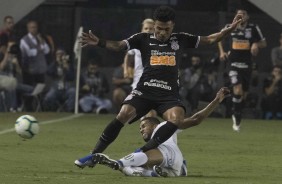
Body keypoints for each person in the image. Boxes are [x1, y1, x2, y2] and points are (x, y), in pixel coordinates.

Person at [75, 5, 242, 168]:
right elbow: (119, 45)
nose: (162, 32)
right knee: (123, 113)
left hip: (168, 94)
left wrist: (229, 29)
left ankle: (141, 152)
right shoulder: (142, 38)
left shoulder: (180, 39)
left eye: (167, 29)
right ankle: (93, 155)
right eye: (159, 28)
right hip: (145, 89)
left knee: (177, 119)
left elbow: (211, 39)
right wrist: (99, 42)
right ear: (155, 24)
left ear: (172, 26)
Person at [92, 87, 230, 177]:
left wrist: (216, 100)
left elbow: (196, 119)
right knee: (135, 170)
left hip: (169, 153)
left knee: (138, 158)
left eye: (143, 125)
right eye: (140, 129)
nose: (141, 130)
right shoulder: (155, 142)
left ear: (154, 125)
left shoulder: (165, 125)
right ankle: (160, 172)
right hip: (173, 167)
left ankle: (119, 163)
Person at [218, 8, 267, 131]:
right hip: (233, 63)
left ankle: (237, 113)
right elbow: (219, 38)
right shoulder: (230, 26)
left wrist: (256, 44)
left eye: (244, 14)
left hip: (247, 64)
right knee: (237, 88)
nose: (241, 16)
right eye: (239, 14)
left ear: (247, 16)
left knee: (244, 94)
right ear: (236, 16)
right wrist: (222, 52)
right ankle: (236, 114)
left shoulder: (254, 27)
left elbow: (264, 43)